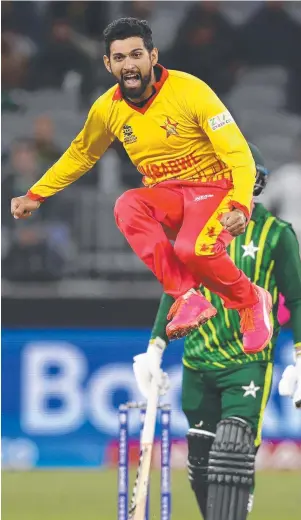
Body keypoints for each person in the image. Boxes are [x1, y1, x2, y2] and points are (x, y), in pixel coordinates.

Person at [11, 17, 273, 353]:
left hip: (217, 190)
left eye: (136, 55)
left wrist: (239, 204)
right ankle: (187, 298)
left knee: (191, 249)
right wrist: (37, 193)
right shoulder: (108, 109)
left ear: (153, 55)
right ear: (108, 64)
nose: (129, 65)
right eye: (119, 58)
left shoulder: (190, 90)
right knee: (127, 204)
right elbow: (81, 155)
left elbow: (237, 151)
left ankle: (251, 300)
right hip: (171, 196)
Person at [133, 143, 301, 520]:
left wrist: (300, 356)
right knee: (203, 465)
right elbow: (174, 290)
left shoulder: (277, 235)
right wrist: (154, 346)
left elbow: (298, 299)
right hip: (199, 358)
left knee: (231, 447)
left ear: (255, 184)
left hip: (248, 361)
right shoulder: (193, 230)